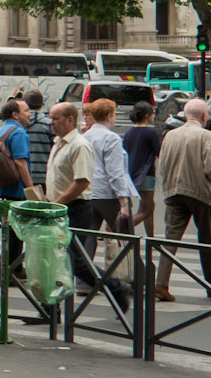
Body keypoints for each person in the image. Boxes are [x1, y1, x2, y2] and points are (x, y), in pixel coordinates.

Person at [45, 102, 130, 311]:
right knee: (66, 259)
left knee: (70, 259)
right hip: (58, 208)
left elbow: (81, 181)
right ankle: (51, 307)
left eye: (56, 118)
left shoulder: (79, 145)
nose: (51, 123)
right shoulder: (58, 142)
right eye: (51, 118)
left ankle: (114, 287)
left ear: (70, 120)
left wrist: (58, 203)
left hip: (74, 208)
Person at [155, 99, 211, 302]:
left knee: (170, 238)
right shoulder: (206, 136)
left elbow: (163, 164)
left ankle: (161, 282)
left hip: (173, 190)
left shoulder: (170, 135)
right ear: (205, 116)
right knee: (208, 239)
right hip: (199, 191)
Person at [82, 99, 139, 236]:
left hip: (89, 191)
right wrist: (123, 199)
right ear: (109, 116)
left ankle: (84, 258)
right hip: (108, 194)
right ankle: (128, 258)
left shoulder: (84, 136)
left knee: (88, 236)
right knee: (124, 237)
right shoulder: (111, 138)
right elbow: (115, 172)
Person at [124, 102, 163, 237]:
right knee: (146, 209)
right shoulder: (151, 132)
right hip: (146, 174)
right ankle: (120, 228)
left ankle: (151, 238)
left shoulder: (129, 133)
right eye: (152, 113)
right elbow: (159, 152)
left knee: (147, 208)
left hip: (131, 173)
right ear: (147, 115)